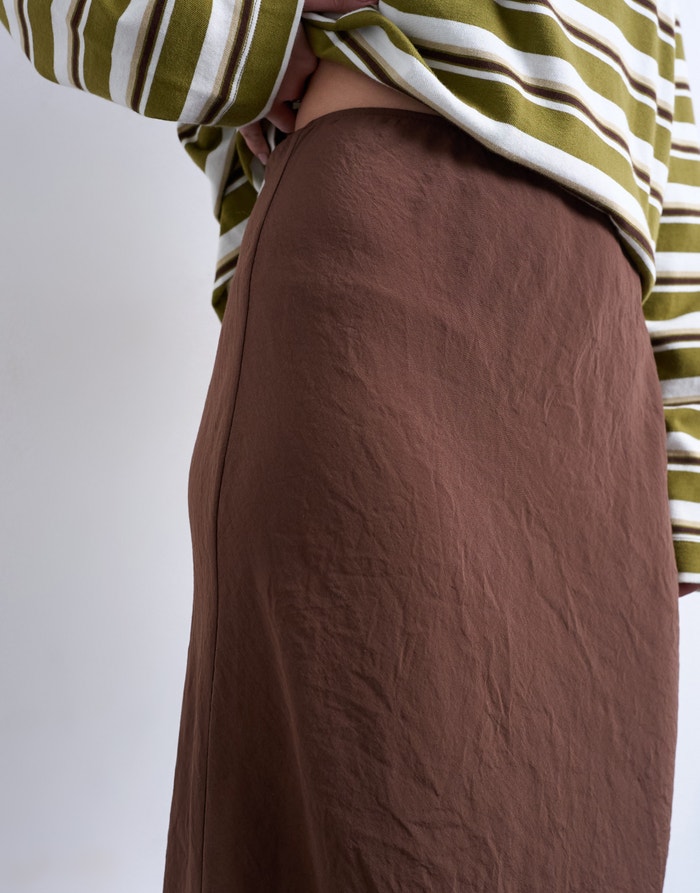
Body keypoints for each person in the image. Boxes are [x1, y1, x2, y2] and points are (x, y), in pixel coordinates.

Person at [1, 1, 698, 890]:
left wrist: (675, 482)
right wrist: (248, 33)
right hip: (386, 286)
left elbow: (671, 159)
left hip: (602, 407)